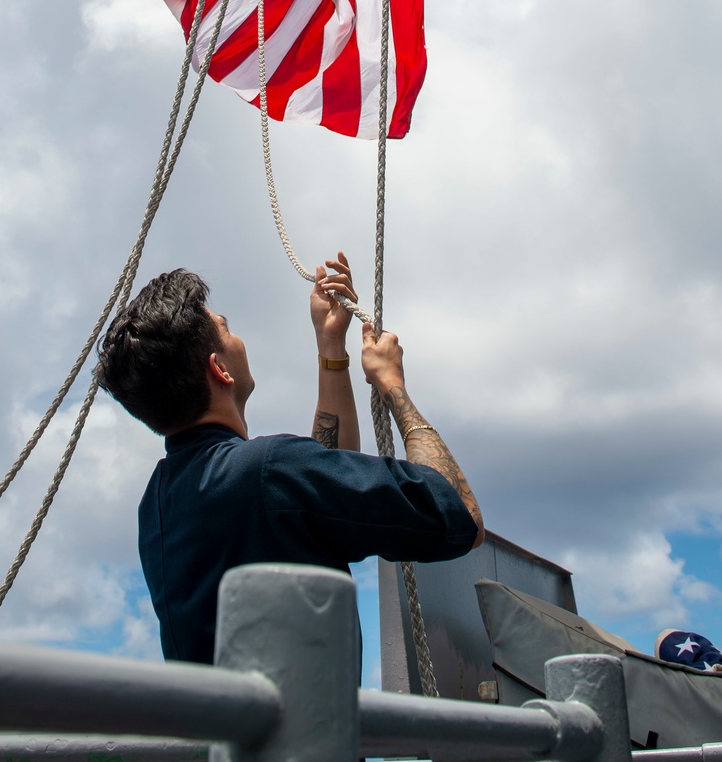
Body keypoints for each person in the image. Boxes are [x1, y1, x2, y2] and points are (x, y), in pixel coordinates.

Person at [95, 254, 483, 665]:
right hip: (304, 729)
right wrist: (391, 384)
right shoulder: (269, 469)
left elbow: (328, 488)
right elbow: (459, 515)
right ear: (220, 370)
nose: (235, 337)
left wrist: (331, 348)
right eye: (226, 330)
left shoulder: (157, 503)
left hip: (213, 728)